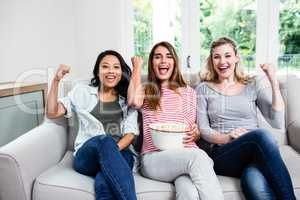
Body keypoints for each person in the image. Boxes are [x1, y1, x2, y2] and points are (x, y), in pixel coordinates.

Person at [196, 37, 296, 200]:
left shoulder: (251, 85)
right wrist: (227, 137)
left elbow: (276, 121)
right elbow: (203, 130)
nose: (222, 61)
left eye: (227, 55)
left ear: (236, 57)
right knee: (261, 136)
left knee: (255, 186)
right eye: (217, 56)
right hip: (223, 153)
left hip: (254, 153)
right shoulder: (203, 88)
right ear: (211, 61)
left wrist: (273, 81)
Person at [128, 41, 224, 200]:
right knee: (199, 157)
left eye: (168, 56)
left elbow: (194, 127)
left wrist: (196, 132)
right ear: (152, 63)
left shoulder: (190, 92)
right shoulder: (147, 90)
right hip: (154, 158)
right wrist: (137, 67)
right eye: (158, 57)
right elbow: (133, 101)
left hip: (184, 155)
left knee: (189, 192)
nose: (163, 61)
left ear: (174, 62)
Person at [46, 50, 139, 200]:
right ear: (97, 71)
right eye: (105, 66)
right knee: (105, 140)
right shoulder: (82, 92)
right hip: (87, 155)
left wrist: (110, 154)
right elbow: (52, 112)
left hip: (122, 154)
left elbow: (130, 134)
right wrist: (56, 80)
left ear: (121, 72)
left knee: (104, 184)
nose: (111, 71)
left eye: (116, 67)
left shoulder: (127, 99)